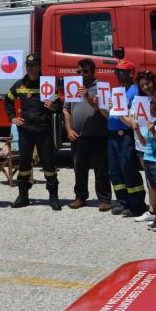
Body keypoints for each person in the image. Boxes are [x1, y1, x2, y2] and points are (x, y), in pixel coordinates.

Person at [4, 54, 61, 210]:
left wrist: (53, 106)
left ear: (39, 67)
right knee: (24, 165)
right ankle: (23, 197)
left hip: (43, 130)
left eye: (33, 65)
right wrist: (12, 117)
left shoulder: (47, 83)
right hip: (26, 131)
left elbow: (58, 105)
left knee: (49, 165)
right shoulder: (20, 84)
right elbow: (8, 100)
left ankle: (53, 197)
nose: (30, 68)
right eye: (28, 65)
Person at [100, 60, 147, 217]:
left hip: (126, 134)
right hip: (112, 135)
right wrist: (103, 105)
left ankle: (137, 204)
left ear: (130, 73)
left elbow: (137, 114)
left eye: (121, 72)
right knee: (115, 170)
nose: (118, 75)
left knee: (128, 168)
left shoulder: (136, 91)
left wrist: (120, 106)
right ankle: (122, 201)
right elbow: (109, 115)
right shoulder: (116, 91)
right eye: (116, 72)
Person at [63, 58, 111, 211]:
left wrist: (87, 96)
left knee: (101, 169)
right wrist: (69, 129)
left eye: (85, 71)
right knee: (79, 169)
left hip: (98, 134)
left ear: (93, 71)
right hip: (78, 135)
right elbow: (66, 109)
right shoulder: (72, 86)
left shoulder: (101, 87)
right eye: (79, 71)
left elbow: (104, 111)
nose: (81, 74)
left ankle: (104, 199)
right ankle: (80, 197)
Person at [129, 96, 156, 231]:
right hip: (148, 159)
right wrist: (137, 130)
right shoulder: (153, 122)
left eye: (152, 107)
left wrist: (154, 131)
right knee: (154, 189)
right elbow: (144, 143)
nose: (149, 109)